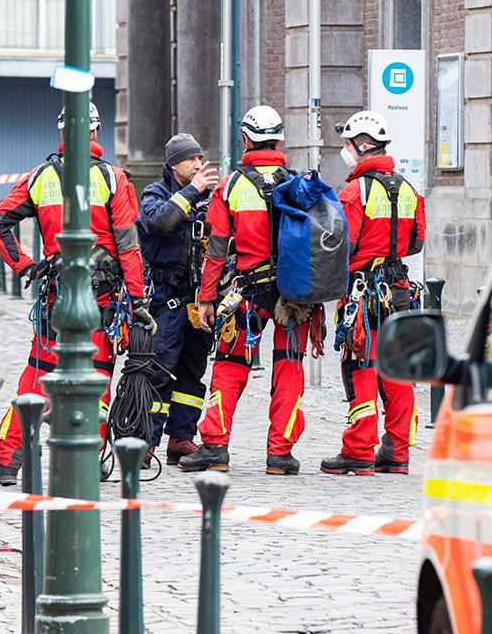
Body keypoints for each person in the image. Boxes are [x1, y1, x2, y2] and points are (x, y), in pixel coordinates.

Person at [0, 101, 147, 486]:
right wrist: (138, 298)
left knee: (38, 374)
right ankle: (87, 461)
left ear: (62, 132)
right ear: (95, 132)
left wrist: (26, 266)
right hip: (101, 302)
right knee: (97, 377)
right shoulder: (113, 179)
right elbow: (128, 245)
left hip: (56, 299)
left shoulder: (40, 176)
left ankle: (6, 460)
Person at [177, 105, 314, 475]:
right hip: (294, 295)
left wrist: (206, 299)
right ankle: (280, 456)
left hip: (248, 296)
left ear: (246, 139)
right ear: (280, 138)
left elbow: (216, 251)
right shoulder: (298, 183)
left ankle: (216, 448)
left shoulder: (231, 186)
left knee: (229, 365)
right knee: (289, 368)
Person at [320, 110, 426, 475]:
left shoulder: (354, 191)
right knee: (396, 370)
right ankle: (397, 452)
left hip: (363, 293)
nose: (346, 150)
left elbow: (342, 245)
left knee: (361, 366)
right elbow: (416, 241)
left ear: (362, 146)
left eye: (348, 144)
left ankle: (359, 449)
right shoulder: (409, 189)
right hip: (398, 290)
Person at [136, 133, 219, 465]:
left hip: (199, 298)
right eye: (191, 159)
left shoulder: (207, 197)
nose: (198, 164)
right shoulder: (155, 193)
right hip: (166, 297)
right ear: (174, 163)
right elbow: (160, 222)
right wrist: (193, 190)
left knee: (192, 372)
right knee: (159, 371)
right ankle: (145, 443)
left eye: (200, 158)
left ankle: (181, 439)